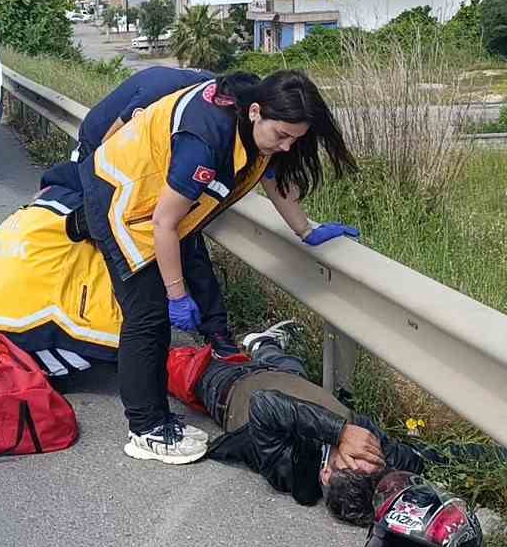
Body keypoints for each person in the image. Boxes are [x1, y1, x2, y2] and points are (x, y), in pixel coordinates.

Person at [77, 69, 357, 466]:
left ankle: (155, 418)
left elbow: (269, 171)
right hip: (120, 200)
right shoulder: (206, 140)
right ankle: (146, 429)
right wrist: (177, 294)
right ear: (257, 112)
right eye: (282, 135)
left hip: (156, 203)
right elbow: (164, 224)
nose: (287, 146)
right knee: (147, 316)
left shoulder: (256, 122)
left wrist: (305, 228)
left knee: (157, 309)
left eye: (296, 139)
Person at [167, 323, 507, 524]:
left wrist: (341, 432)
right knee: (289, 368)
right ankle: (264, 343)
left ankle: (257, 347)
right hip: (293, 382)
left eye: (357, 459)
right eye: (372, 462)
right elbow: (427, 458)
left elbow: (265, 404)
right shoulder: (373, 465)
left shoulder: (287, 469)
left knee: (162, 348)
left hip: (228, 385)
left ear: (327, 475)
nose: (371, 451)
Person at [38, 66, 240, 355]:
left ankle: (213, 327)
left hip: (155, 154)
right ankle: (99, 321)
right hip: (102, 149)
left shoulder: (213, 98)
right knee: (118, 238)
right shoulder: (161, 99)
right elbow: (111, 145)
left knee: (179, 233)